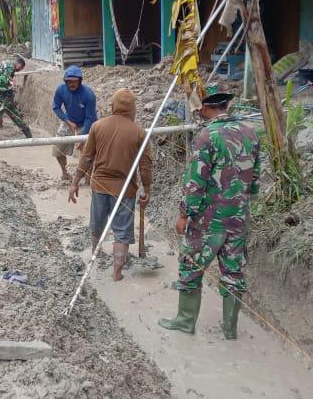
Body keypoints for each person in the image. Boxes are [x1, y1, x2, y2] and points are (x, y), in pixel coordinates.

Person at [159, 86, 261, 340]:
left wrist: (184, 214)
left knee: (191, 267)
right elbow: (255, 178)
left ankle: (185, 321)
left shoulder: (208, 135)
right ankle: (230, 330)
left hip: (209, 221)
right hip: (239, 218)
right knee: (233, 272)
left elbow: (195, 183)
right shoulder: (251, 132)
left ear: (206, 107)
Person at [68, 89, 152, 282]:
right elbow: (146, 166)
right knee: (122, 233)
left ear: (112, 106)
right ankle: (117, 274)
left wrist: (75, 183)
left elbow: (86, 158)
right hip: (125, 190)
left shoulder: (98, 126)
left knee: (97, 224)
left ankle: (95, 255)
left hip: (99, 186)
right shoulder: (139, 132)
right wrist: (147, 189)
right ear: (133, 109)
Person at [52, 65, 98, 181]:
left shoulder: (88, 95)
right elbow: (56, 107)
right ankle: (65, 173)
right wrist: (67, 122)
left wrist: (81, 135)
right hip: (69, 121)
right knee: (58, 147)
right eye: (69, 82)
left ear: (80, 81)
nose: (71, 84)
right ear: (65, 81)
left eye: (74, 82)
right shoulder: (60, 90)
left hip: (86, 124)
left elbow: (90, 118)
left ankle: (88, 179)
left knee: (87, 153)